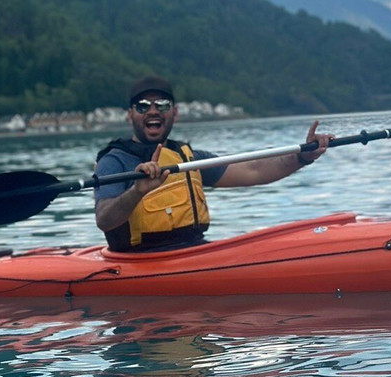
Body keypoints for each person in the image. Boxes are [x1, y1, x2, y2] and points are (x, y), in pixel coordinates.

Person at [94, 75, 333, 252]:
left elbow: (253, 170)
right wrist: (137, 191)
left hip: (196, 251)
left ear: (174, 113)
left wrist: (303, 157)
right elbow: (104, 219)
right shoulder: (115, 161)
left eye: (163, 105)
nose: (153, 111)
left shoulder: (188, 158)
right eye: (143, 106)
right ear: (130, 114)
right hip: (139, 261)